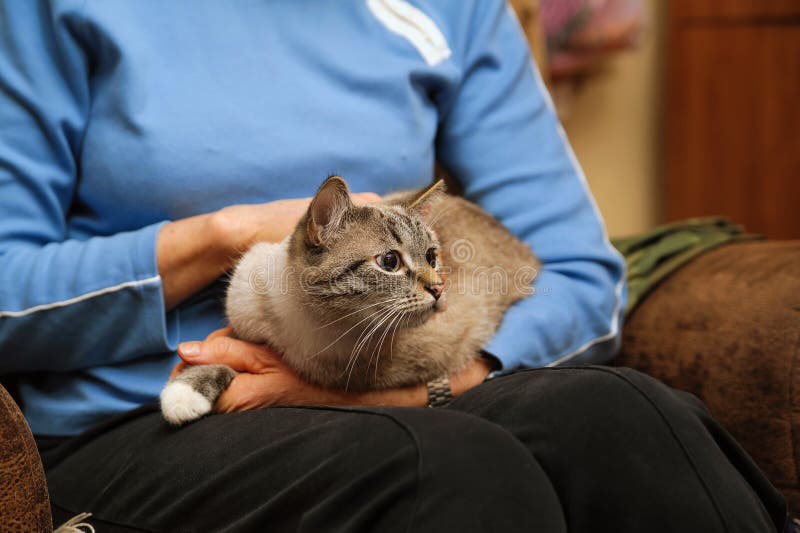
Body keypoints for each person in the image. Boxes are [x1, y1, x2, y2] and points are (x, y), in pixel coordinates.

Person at [0, 1, 787, 531]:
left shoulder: (456, 10)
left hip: (390, 364)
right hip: (147, 418)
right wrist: (222, 235)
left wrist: (430, 382)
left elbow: (581, 273)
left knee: (629, 416)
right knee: (444, 467)